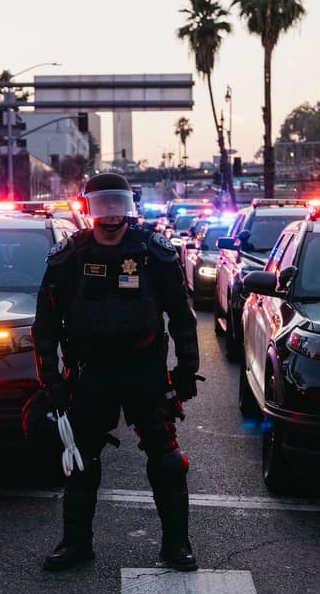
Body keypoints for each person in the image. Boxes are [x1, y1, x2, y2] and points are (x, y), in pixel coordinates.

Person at [31, 172, 201, 572]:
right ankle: (76, 543)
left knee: (168, 459)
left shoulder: (153, 251)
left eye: (117, 205)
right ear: (88, 208)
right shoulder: (69, 256)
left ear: (129, 205)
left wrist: (187, 369)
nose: (110, 215)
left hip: (144, 371)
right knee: (79, 457)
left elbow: (181, 313)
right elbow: (45, 324)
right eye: (102, 205)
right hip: (91, 373)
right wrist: (50, 379)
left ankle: (177, 545)